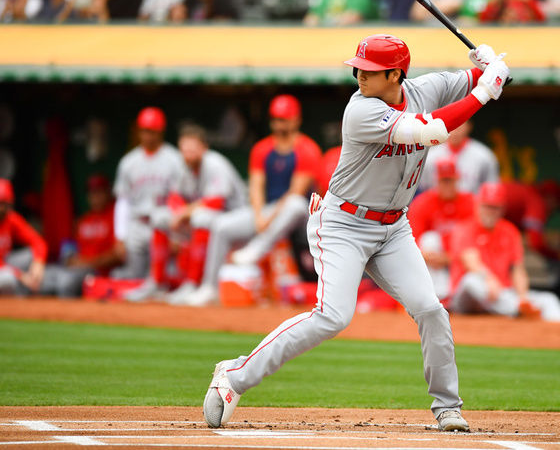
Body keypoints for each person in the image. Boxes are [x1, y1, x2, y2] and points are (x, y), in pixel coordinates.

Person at [201, 34, 511, 432]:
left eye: (368, 70)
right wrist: (488, 90)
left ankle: (447, 406)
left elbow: (470, 80)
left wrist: (488, 65)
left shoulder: (424, 89)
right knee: (333, 316)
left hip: (394, 227)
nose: (358, 75)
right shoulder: (360, 110)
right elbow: (433, 131)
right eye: (357, 68)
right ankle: (234, 376)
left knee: (431, 309)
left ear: (396, 74)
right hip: (344, 224)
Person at [183, 94, 321, 306]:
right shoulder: (262, 148)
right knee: (221, 226)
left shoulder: (307, 148)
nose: (279, 123)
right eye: (276, 118)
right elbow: (256, 187)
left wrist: (266, 220)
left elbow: (296, 191)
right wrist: (258, 217)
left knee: (295, 204)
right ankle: (209, 288)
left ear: (296, 120)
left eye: (284, 119)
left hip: (303, 220)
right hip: (266, 212)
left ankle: (258, 248)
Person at [126, 124, 246, 303]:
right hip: (204, 219)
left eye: (193, 149)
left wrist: (183, 214)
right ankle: (157, 282)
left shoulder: (214, 163)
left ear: (204, 148)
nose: (188, 154)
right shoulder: (185, 167)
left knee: (201, 218)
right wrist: (178, 213)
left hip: (235, 217)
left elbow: (216, 202)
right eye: (184, 149)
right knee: (160, 217)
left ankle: (193, 284)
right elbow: (174, 196)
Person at [449, 182, 560, 321]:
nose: (491, 212)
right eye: (487, 206)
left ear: (503, 209)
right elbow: (472, 263)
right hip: (469, 297)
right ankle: (516, 310)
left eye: (495, 207)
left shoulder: (510, 231)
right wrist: (488, 279)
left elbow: (518, 269)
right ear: (478, 205)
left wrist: (523, 296)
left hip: (501, 295)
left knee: (549, 299)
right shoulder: (464, 228)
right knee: (472, 281)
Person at [112, 107, 183, 282]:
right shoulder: (128, 162)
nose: (147, 136)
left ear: (160, 131)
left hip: (163, 225)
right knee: (134, 278)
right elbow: (123, 201)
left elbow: (179, 199)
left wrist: (177, 234)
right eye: (144, 131)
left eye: (151, 131)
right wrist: (120, 236)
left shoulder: (174, 159)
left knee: (164, 278)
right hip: (137, 224)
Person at [408, 157, 475, 301]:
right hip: (431, 261)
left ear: (457, 180)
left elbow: (474, 241)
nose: (447, 185)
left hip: (458, 259)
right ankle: (436, 296)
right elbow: (411, 239)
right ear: (436, 181)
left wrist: (450, 257)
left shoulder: (470, 202)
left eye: (450, 180)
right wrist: (426, 256)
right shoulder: (422, 203)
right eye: (444, 181)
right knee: (430, 239)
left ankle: (453, 296)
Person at [419, 120, 499, 194]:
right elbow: (423, 189)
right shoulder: (430, 156)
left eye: (459, 125)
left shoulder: (484, 155)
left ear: (469, 126)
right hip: (437, 206)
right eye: (452, 125)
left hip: (471, 207)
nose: (455, 130)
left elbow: (492, 190)